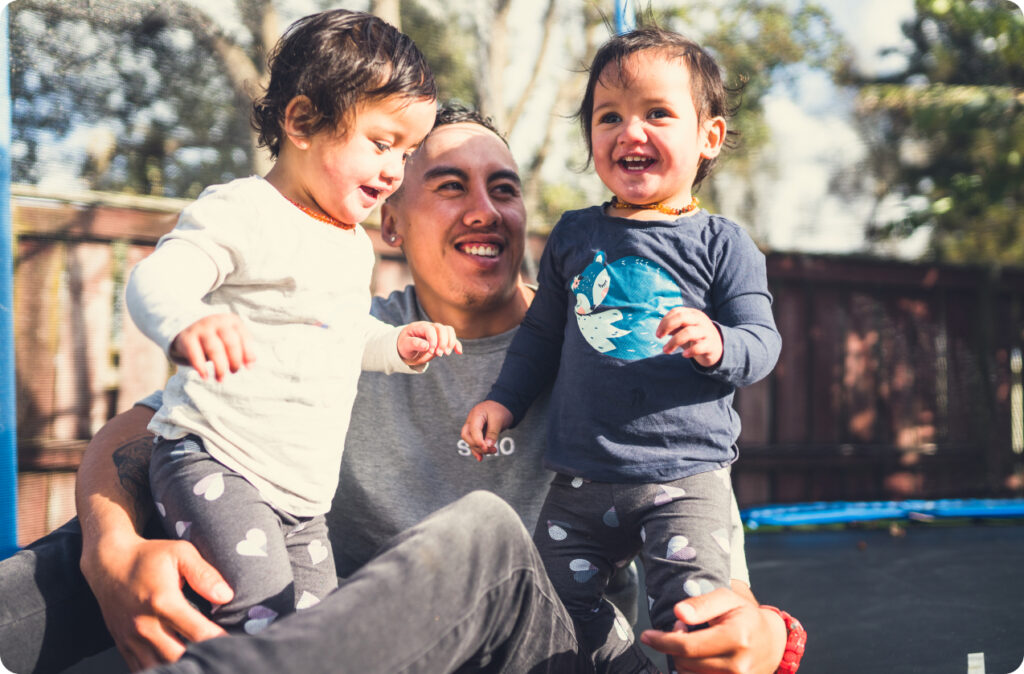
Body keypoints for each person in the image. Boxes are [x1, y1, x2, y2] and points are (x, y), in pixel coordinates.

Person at [0, 106, 796, 674]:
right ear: (390, 222)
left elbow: (706, 540)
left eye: (505, 189)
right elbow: (145, 438)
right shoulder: (333, 331)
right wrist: (112, 554)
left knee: (483, 536)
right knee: (146, 535)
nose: (485, 210)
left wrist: (761, 636)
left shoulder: (604, 343)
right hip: (359, 647)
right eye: (450, 186)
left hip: (539, 651)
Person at [123, 9, 460, 635]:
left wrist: (393, 345)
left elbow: (338, 333)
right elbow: (156, 278)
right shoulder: (246, 209)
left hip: (303, 501)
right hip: (215, 461)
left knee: (315, 633)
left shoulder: (350, 243)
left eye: (407, 153)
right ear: (303, 121)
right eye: (382, 143)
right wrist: (185, 322)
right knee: (257, 611)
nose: (394, 170)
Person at [462, 26, 782, 672]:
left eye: (656, 114)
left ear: (708, 137)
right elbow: (542, 338)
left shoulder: (723, 245)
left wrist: (719, 341)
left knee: (695, 620)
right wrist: (502, 399)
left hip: (685, 476)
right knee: (550, 614)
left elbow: (762, 342)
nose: (629, 131)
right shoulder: (576, 236)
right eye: (609, 117)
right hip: (582, 478)